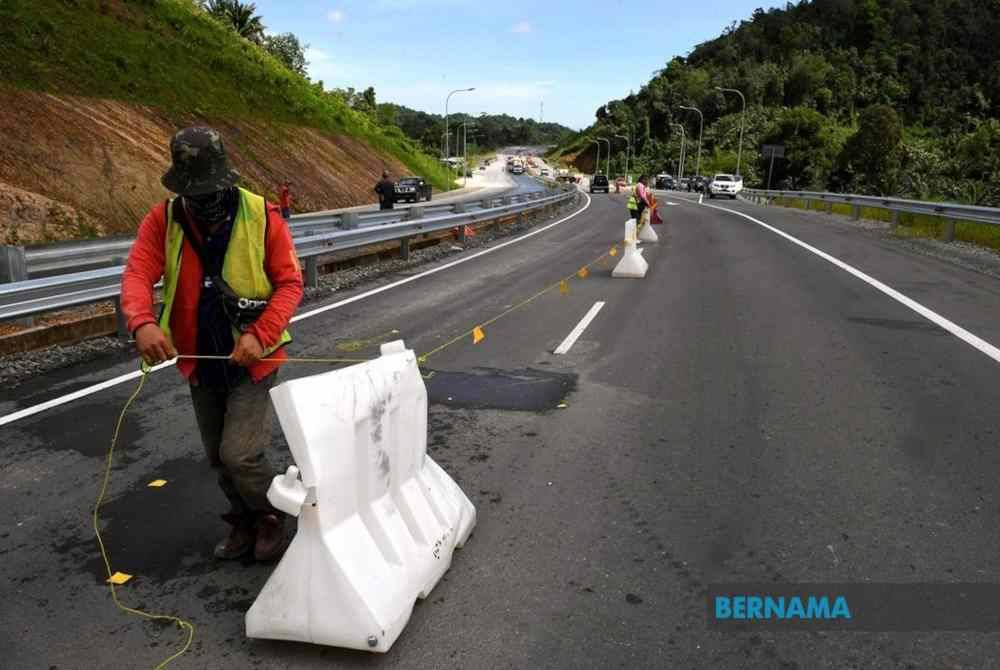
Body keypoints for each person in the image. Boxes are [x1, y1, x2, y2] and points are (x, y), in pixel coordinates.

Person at [121, 127, 304, 562]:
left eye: (211, 190)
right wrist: (142, 322)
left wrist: (260, 334)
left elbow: (290, 283)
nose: (204, 200)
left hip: (253, 360)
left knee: (239, 454)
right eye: (194, 192)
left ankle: (274, 516)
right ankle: (243, 519)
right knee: (217, 458)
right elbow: (137, 273)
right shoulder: (163, 218)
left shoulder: (262, 215)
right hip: (200, 359)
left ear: (227, 179)